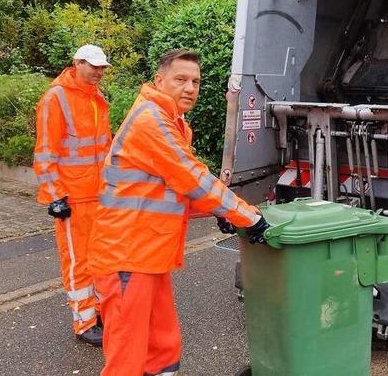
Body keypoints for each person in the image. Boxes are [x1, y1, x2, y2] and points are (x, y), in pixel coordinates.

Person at [88, 49, 269, 376]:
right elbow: (194, 178)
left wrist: (221, 212)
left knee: (163, 348)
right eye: (181, 79)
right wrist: (247, 216)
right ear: (160, 80)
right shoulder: (151, 121)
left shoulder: (171, 122)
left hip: (146, 255)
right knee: (127, 360)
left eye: (196, 82)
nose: (190, 88)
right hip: (126, 257)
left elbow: (173, 189)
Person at [33, 44, 112, 346]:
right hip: (73, 199)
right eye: (93, 66)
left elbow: (104, 148)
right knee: (78, 261)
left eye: (103, 67)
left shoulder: (97, 99)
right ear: (76, 63)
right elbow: (45, 152)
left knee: (102, 260)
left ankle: (100, 312)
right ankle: (84, 322)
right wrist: (55, 196)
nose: (99, 72)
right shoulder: (56, 99)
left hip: (99, 196)